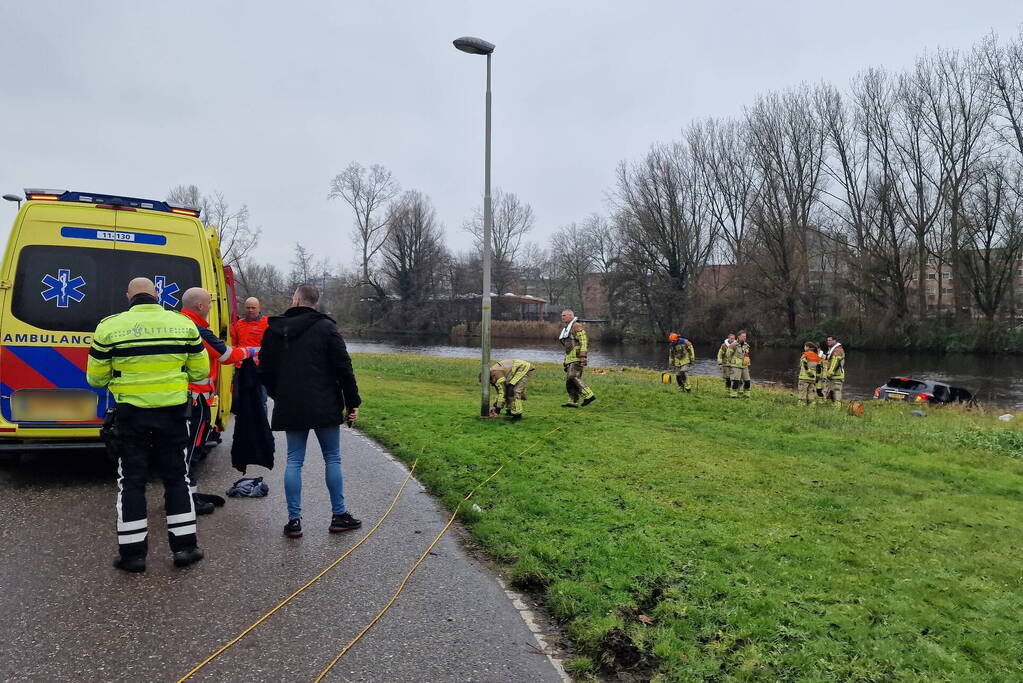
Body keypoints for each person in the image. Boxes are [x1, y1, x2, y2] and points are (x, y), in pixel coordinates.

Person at [87, 277, 210, 572]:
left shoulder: (108, 327)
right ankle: (185, 549)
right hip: (172, 417)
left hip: (131, 417)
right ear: (156, 294)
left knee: (131, 483)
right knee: (177, 479)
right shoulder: (183, 325)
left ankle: (133, 556)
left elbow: (96, 379)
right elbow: (201, 371)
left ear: (128, 296)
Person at [259, 284, 361, 539]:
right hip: (324, 402)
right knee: (332, 458)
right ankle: (339, 516)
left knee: (294, 460)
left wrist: (278, 394)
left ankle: (294, 521)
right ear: (314, 302)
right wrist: (352, 402)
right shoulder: (327, 328)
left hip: (290, 403)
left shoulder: (274, 329)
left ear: (296, 300)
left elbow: (265, 370)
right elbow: (343, 368)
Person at [180, 287, 257, 514]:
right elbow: (226, 356)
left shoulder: (178, 324)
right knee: (193, 449)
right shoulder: (199, 330)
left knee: (183, 448)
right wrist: (254, 350)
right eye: (210, 304)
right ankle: (188, 501)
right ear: (200, 307)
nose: (211, 308)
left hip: (181, 398)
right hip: (195, 399)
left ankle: (184, 494)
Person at [231, 296, 269, 410]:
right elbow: (233, 345)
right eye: (248, 308)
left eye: (253, 307)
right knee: (240, 401)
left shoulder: (267, 324)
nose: (250, 310)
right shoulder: (238, 324)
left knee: (260, 400)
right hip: (241, 368)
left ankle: (262, 427)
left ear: (259, 308)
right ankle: (243, 426)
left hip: (260, 369)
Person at [558, 309, 596, 408]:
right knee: (569, 382)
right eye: (562, 315)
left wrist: (583, 356)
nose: (562, 317)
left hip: (577, 357)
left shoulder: (576, 325)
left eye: (564, 315)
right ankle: (573, 401)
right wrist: (565, 361)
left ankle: (589, 395)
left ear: (571, 316)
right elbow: (568, 347)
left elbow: (584, 340)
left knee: (573, 376)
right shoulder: (566, 328)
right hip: (569, 358)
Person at [724, 330, 752, 398]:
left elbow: (746, 354)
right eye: (743, 336)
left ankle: (746, 395)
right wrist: (733, 362)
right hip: (736, 366)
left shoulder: (746, 345)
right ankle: (733, 395)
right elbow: (728, 355)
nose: (744, 338)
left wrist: (747, 360)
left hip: (745, 366)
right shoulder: (733, 345)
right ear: (739, 337)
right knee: (736, 381)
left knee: (747, 381)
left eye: (745, 336)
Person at [822, 335, 846, 405]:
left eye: (830, 340)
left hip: (836, 375)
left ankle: (837, 407)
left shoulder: (837, 350)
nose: (828, 342)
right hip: (834, 375)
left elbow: (835, 362)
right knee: (830, 391)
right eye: (827, 340)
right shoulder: (833, 349)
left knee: (836, 391)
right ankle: (831, 405)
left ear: (835, 341)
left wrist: (830, 373)